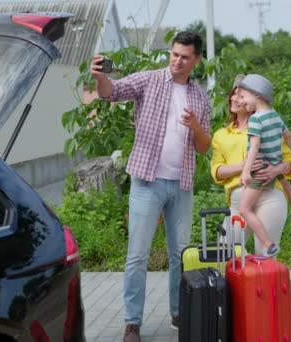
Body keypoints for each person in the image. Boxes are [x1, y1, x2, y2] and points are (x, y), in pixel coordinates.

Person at [90, 31, 211, 342]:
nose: (177, 61)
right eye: (174, 54)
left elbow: (204, 146)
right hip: (147, 181)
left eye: (185, 57)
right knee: (137, 256)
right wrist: (100, 77)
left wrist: (195, 125)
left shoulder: (200, 97)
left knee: (180, 255)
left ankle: (177, 312)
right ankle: (132, 322)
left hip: (181, 185)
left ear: (196, 60)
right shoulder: (150, 80)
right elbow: (112, 92)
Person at [211, 75, 291, 254]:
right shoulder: (221, 135)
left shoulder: (265, 124)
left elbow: (290, 161)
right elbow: (217, 171)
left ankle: (261, 279)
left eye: (240, 95)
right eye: (233, 94)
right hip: (238, 204)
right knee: (224, 251)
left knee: (265, 256)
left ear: (253, 97)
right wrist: (244, 166)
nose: (235, 98)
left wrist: (277, 168)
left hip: (269, 197)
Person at [237, 74, 287, 257]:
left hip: (259, 172)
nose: (241, 102)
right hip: (271, 170)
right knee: (250, 205)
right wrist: (277, 156)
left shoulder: (256, 119)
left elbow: (254, 147)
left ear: (256, 95)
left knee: (244, 209)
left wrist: (245, 172)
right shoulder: (275, 115)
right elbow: (287, 135)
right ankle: (266, 242)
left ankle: (267, 243)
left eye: (243, 97)